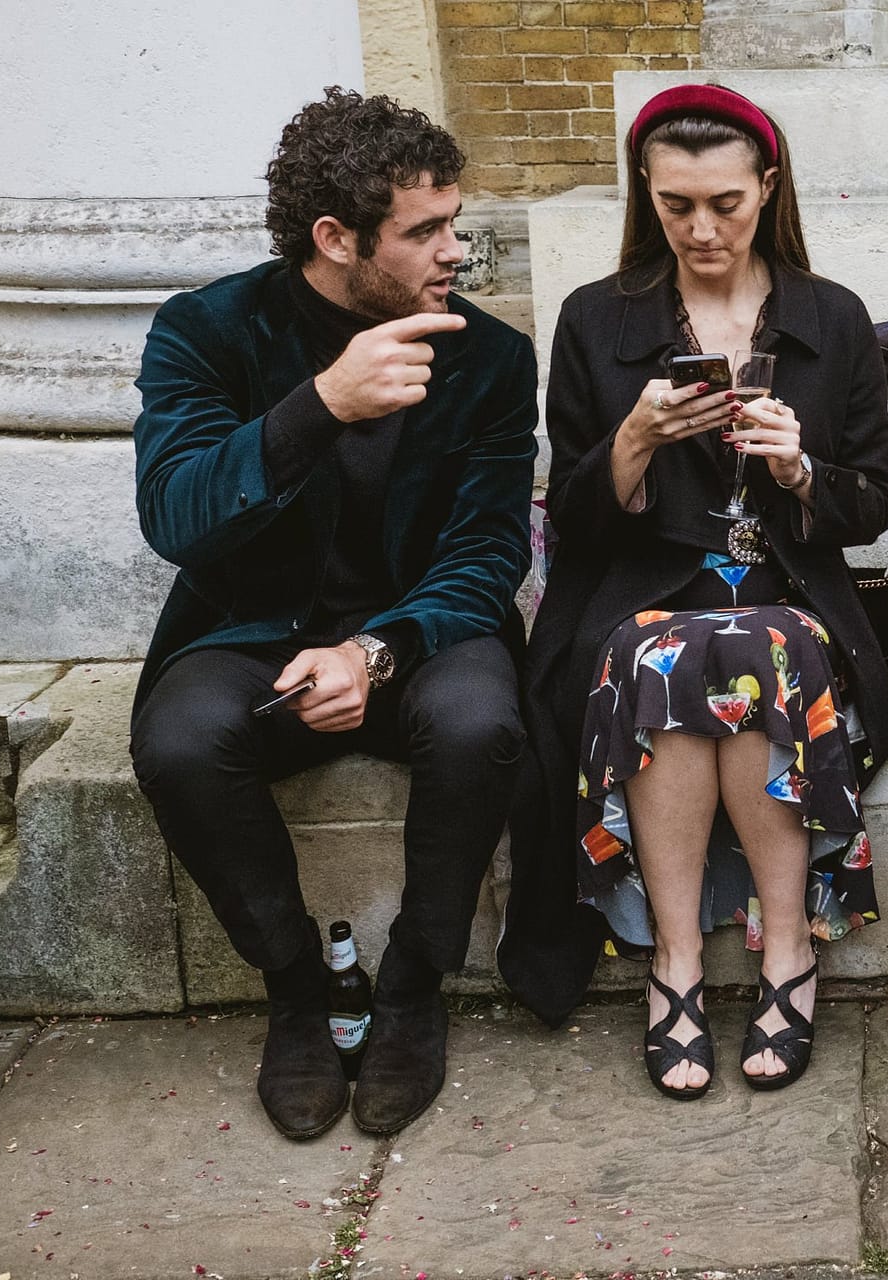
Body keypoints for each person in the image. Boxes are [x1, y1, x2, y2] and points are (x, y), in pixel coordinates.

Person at [129, 89, 537, 1140]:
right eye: (425, 231)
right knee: (178, 739)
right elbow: (175, 515)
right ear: (334, 237)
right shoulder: (207, 330)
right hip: (249, 627)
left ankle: (409, 986)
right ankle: (300, 990)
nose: (456, 248)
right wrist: (321, 406)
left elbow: (490, 548)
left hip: (418, 633)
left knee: (485, 722)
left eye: (456, 220)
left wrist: (376, 647)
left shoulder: (488, 356)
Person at [496, 84, 888, 1100]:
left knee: (754, 643)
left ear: (768, 185)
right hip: (639, 594)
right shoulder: (597, 318)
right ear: (648, 190)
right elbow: (573, 524)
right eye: (678, 204)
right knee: (668, 647)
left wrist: (802, 470)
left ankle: (786, 953)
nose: (703, 227)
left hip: (791, 594)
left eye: (725, 201)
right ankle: (675, 959)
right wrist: (632, 440)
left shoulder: (832, 318)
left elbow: (872, 506)